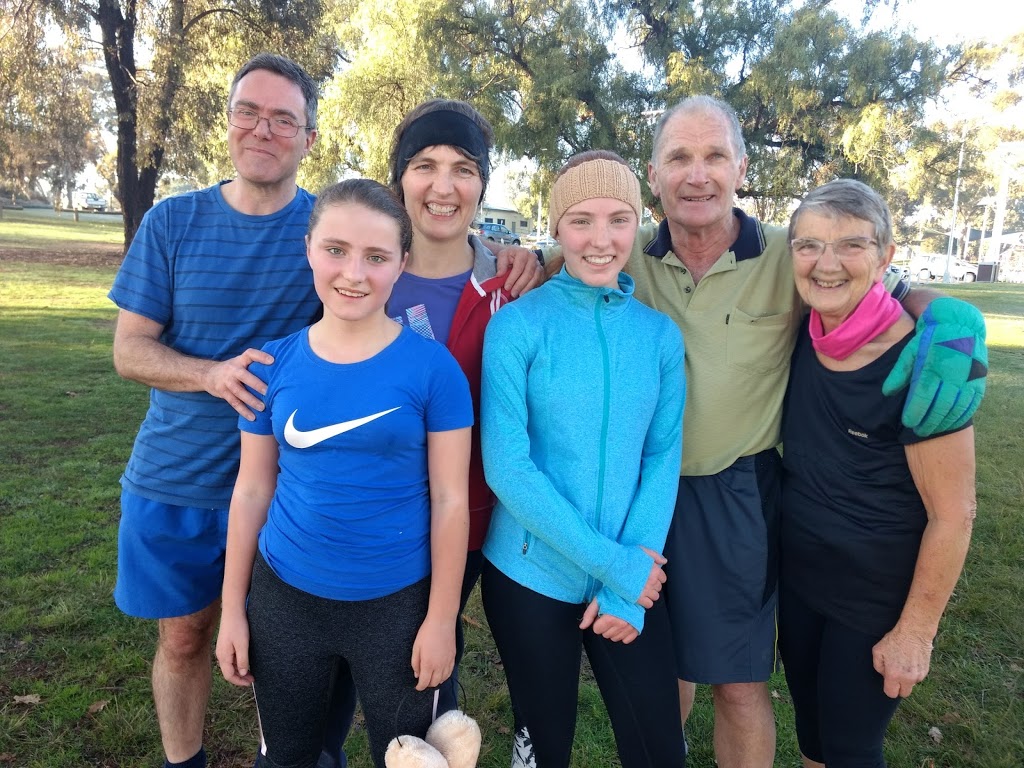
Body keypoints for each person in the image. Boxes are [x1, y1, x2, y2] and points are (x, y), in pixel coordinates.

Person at [516, 94, 986, 768]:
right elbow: (555, 253)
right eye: (679, 157)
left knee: (737, 683)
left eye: (714, 156)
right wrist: (525, 255)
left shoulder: (785, 254)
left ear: (741, 166)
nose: (697, 174)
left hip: (734, 494)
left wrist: (954, 320)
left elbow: (878, 282)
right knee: (658, 670)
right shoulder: (622, 253)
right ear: (654, 175)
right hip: (631, 489)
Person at [107, 53, 354, 768]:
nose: (264, 129)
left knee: (281, 654)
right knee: (183, 639)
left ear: (309, 138)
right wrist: (210, 374)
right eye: (249, 111)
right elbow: (130, 351)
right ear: (228, 123)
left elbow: (406, 256)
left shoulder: (328, 233)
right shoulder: (171, 222)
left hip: (287, 494)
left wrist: (511, 254)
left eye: (285, 118)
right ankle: (184, 762)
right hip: (173, 482)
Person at [215, 178, 473, 768]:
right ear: (308, 248)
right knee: (289, 758)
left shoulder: (434, 370)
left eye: (376, 257)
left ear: (401, 264)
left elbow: (450, 501)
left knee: (412, 758)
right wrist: (234, 608)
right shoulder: (272, 363)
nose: (354, 273)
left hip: (397, 606)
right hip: (286, 601)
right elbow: (253, 489)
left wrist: (440, 618)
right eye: (336, 250)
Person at [480, 151, 687, 767]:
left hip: (630, 570)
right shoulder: (517, 327)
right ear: (556, 228)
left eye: (619, 219)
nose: (601, 240)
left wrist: (630, 581)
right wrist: (617, 564)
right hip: (530, 574)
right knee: (543, 748)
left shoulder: (658, 336)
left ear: (639, 222)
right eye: (581, 221)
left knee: (659, 751)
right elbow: (508, 467)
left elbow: (661, 455)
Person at [778, 178, 977, 767]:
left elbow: (954, 512)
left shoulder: (929, 363)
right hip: (801, 579)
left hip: (874, 598)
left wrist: (916, 631)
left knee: (850, 748)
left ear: (887, 256)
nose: (827, 264)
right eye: (809, 245)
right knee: (814, 738)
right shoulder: (803, 329)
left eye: (852, 245)